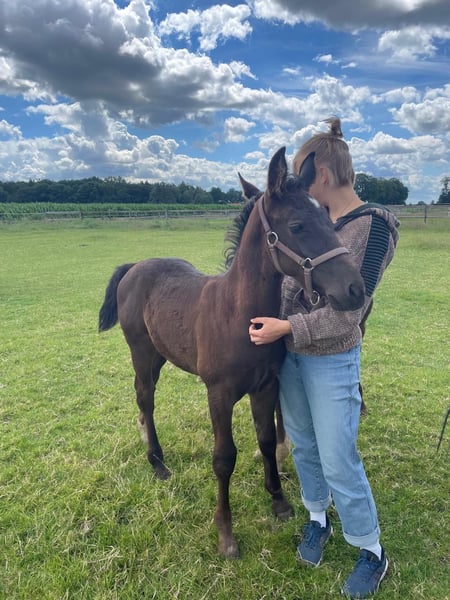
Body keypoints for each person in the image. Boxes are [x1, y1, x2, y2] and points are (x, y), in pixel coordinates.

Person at [249, 118, 400, 599]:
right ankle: (318, 518)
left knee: (338, 457)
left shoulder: (373, 227)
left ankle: (371, 550)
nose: (298, 187)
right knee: (304, 447)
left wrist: (289, 327)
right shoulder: (320, 221)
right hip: (292, 357)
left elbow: (351, 310)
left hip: (332, 359)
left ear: (323, 175)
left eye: (303, 176)